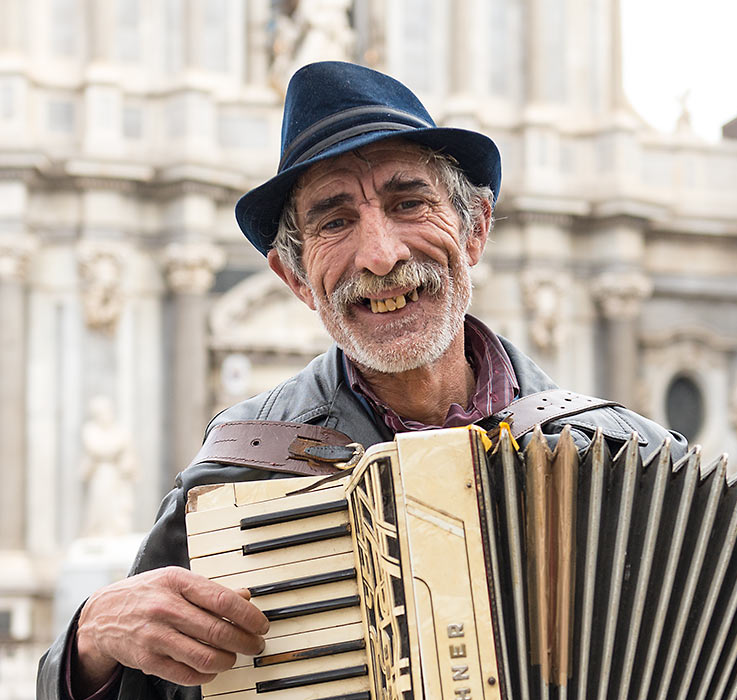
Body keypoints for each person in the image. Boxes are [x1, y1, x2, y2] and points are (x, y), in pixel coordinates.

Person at [37, 61, 686, 700]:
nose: (381, 254)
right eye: (335, 220)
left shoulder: (629, 458)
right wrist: (88, 645)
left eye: (409, 203)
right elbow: (144, 684)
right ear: (295, 279)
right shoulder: (239, 479)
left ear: (476, 230)